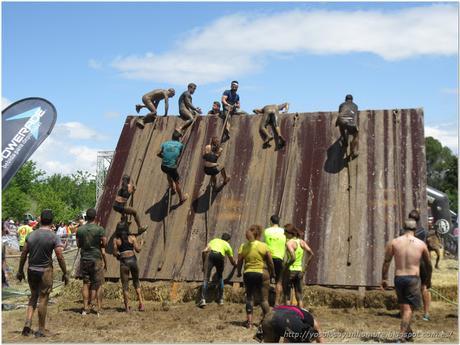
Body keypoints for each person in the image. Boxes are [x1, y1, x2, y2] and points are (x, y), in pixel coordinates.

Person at [16, 209, 69, 337]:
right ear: (51, 222)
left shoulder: (31, 235)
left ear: (40, 220)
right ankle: (41, 329)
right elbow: (60, 256)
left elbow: (24, 253)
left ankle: (27, 324)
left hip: (31, 270)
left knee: (33, 296)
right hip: (45, 271)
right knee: (43, 300)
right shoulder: (53, 236)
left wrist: (20, 270)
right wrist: (65, 272)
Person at [381, 219, 432, 343]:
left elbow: (386, 261)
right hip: (413, 279)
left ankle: (408, 333)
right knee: (409, 309)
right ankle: (401, 336)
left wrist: (384, 278)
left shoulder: (394, 242)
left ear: (403, 228)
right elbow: (429, 264)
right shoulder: (421, 244)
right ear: (415, 229)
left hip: (399, 278)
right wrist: (428, 279)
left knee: (404, 308)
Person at [237, 224, 275, 328]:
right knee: (264, 299)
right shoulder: (263, 246)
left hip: (248, 273)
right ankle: (269, 322)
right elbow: (270, 262)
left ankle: (249, 323)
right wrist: (273, 273)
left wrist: (238, 272)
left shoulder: (243, 246)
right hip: (262, 273)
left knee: (249, 298)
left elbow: (239, 261)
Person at [76, 208, 107, 316]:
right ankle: (99, 309)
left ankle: (85, 308)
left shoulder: (80, 230)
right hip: (96, 258)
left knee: (85, 284)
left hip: (85, 259)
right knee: (98, 284)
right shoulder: (100, 229)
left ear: (86, 217)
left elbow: (78, 244)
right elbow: (104, 242)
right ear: (95, 217)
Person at [112, 219, 145, 312]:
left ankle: (127, 307)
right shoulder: (132, 238)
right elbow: (138, 250)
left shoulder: (116, 240)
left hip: (124, 262)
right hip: (133, 261)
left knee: (125, 285)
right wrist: (141, 243)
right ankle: (141, 303)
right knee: (136, 282)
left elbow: (114, 253)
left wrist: (118, 255)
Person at [199, 233, 237, 307]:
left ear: (221, 237)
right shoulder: (227, 245)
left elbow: (204, 251)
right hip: (220, 256)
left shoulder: (214, 240)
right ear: (228, 240)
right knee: (220, 277)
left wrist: (204, 264)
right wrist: (235, 265)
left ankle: (203, 300)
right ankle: (221, 300)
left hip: (210, 255)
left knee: (206, 278)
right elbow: (232, 261)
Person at [407, 209, 431, 322]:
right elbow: (428, 245)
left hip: (413, 261)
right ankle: (426, 314)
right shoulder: (424, 232)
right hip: (424, 262)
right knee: (424, 287)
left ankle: (408, 312)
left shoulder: (404, 232)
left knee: (409, 287)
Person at [283, 224, 314, 308]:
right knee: (299, 296)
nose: (284, 234)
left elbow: (293, 257)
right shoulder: (301, 242)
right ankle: (301, 315)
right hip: (299, 271)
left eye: (285, 232)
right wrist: (305, 269)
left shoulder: (289, 243)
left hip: (290, 271)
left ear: (289, 233)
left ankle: (288, 316)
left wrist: (286, 266)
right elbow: (311, 254)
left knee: (287, 295)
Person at [258, 305, 325, 343]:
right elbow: (320, 339)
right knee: (304, 337)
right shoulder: (312, 321)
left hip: (268, 318)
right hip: (284, 320)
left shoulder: (295, 313)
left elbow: (287, 338)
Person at [158, 131, 188, 203]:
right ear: (178, 138)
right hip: (172, 167)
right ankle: (181, 198)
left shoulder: (165, 144)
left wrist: (164, 157)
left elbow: (158, 154)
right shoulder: (180, 145)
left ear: (172, 137)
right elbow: (178, 155)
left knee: (168, 174)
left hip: (163, 166)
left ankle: (172, 189)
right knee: (177, 182)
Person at [263, 215, 286, 306]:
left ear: (271, 221)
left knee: (266, 280)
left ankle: (265, 301)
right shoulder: (283, 231)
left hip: (268, 257)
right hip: (279, 257)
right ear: (278, 221)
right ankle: (276, 303)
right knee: (279, 282)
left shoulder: (266, 231)